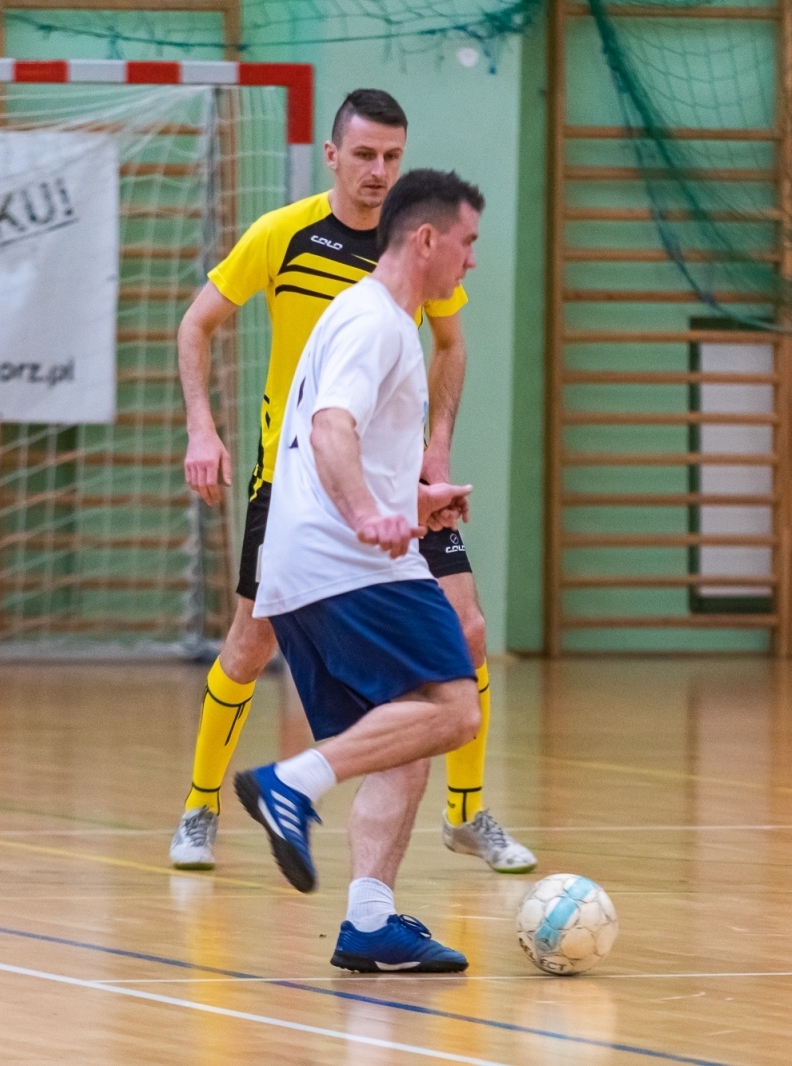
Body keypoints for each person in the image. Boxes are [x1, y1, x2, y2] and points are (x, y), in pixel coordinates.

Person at [169, 89, 533, 875]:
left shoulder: (417, 244)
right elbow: (196, 323)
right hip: (302, 483)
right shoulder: (284, 234)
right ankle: (202, 804)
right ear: (331, 155)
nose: (378, 171)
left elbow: (452, 346)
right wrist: (204, 426)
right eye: (364, 155)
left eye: (392, 156)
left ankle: (465, 816)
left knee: (466, 631)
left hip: (399, 490)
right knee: (248, 643)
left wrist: (438, 448)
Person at [236, 168, 487, 972]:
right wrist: (367, 517)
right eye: (467, 243)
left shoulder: (376, 319)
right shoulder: (378, 323)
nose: (471, 262)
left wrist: (416, 503)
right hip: (349, 562)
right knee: (455, 710)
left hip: (307, 563)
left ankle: (370, 923)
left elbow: (338, 448)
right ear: (426, 239)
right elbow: (331, 425)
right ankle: (291, 784)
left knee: (403, 731)